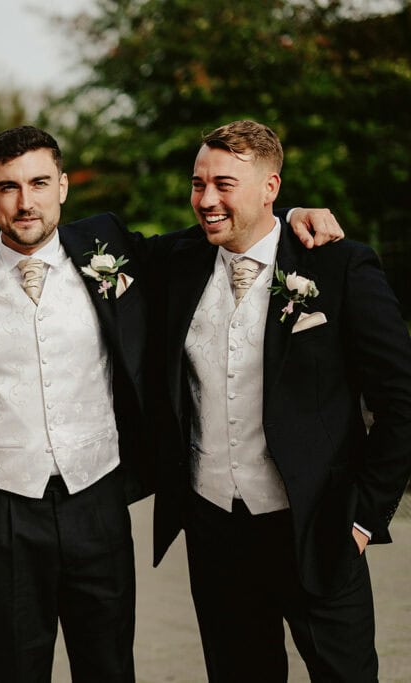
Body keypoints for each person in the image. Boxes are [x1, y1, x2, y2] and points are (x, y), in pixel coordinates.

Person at [0, 125, 342, 682]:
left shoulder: (111, 248)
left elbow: (221, 231)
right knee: (13, 669)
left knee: (110, 666)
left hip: (97, 500)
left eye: (40, 183)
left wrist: (288, 213)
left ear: (64, 187)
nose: (26, 202)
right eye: (9, 187)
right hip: (3, 509)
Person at [147, 119, 411, 681]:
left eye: (224, 184)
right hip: (216, 527)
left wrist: (364, 518)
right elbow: (95, 245)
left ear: (271, 187)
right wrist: (2, 246)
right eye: (198, 184)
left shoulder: (338, 266)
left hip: (318, 527)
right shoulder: (177, 262)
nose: (206, 200)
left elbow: (401, 398)